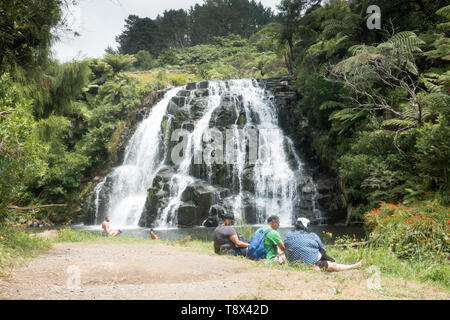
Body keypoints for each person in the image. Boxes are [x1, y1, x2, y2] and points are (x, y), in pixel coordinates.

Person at [285, 217, 364, 272]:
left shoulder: (288, 235)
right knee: (332, 264)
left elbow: (286, 247)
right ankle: (354, 266)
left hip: (293, 263)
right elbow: (323, 250)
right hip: (311, 264)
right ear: (307, 226)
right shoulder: (313, 235)